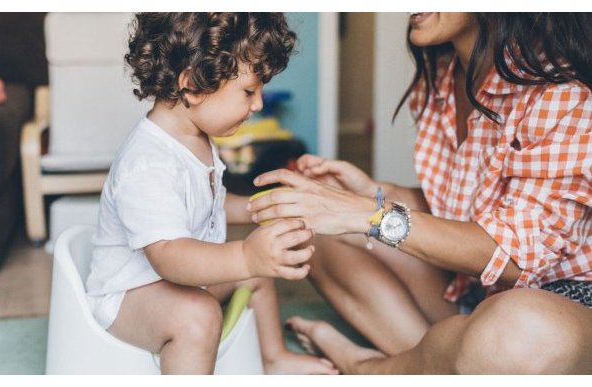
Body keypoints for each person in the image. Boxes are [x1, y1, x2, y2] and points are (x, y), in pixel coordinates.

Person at [249, 12, 592, 374]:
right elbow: (467, 208)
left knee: (518, 332)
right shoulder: (443, 77)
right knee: (307, 232)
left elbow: (512, 258)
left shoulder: (560, 92)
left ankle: (370, 367)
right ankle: (437, 361)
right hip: (477, 293)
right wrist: (376, 193)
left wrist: (368, 213)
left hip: (559, 305)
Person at [84, 12, 338, 375]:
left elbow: (211, 204)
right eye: (249, 91)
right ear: (193, 86)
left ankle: (273, 358)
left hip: (181, 279)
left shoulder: (195, 138)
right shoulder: (149, 163)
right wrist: (245, 257)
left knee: (256, 270)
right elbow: (169, 256)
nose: (259, 105)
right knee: (198, 315)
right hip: (130, 296)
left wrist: (266, 208)